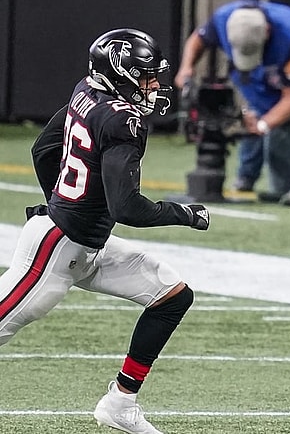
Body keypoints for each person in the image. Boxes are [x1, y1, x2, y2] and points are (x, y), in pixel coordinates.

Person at [0, 29, 208, 434]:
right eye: (146, 76)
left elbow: (43, 149)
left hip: (84, 245)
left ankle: (120, 403)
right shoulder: (122, 121)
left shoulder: (86, 91)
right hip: (56, 251)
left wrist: (61, 203)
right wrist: (183, 214)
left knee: (172, 295)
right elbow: (126, 207)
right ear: (121, 73)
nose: (154, 85)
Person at [175, 0, 290, 209]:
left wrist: (262, 125)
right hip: (279, 85)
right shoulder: (223, 19)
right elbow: (198, 39)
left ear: (267, 32)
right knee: (280, 186)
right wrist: (186, 68)